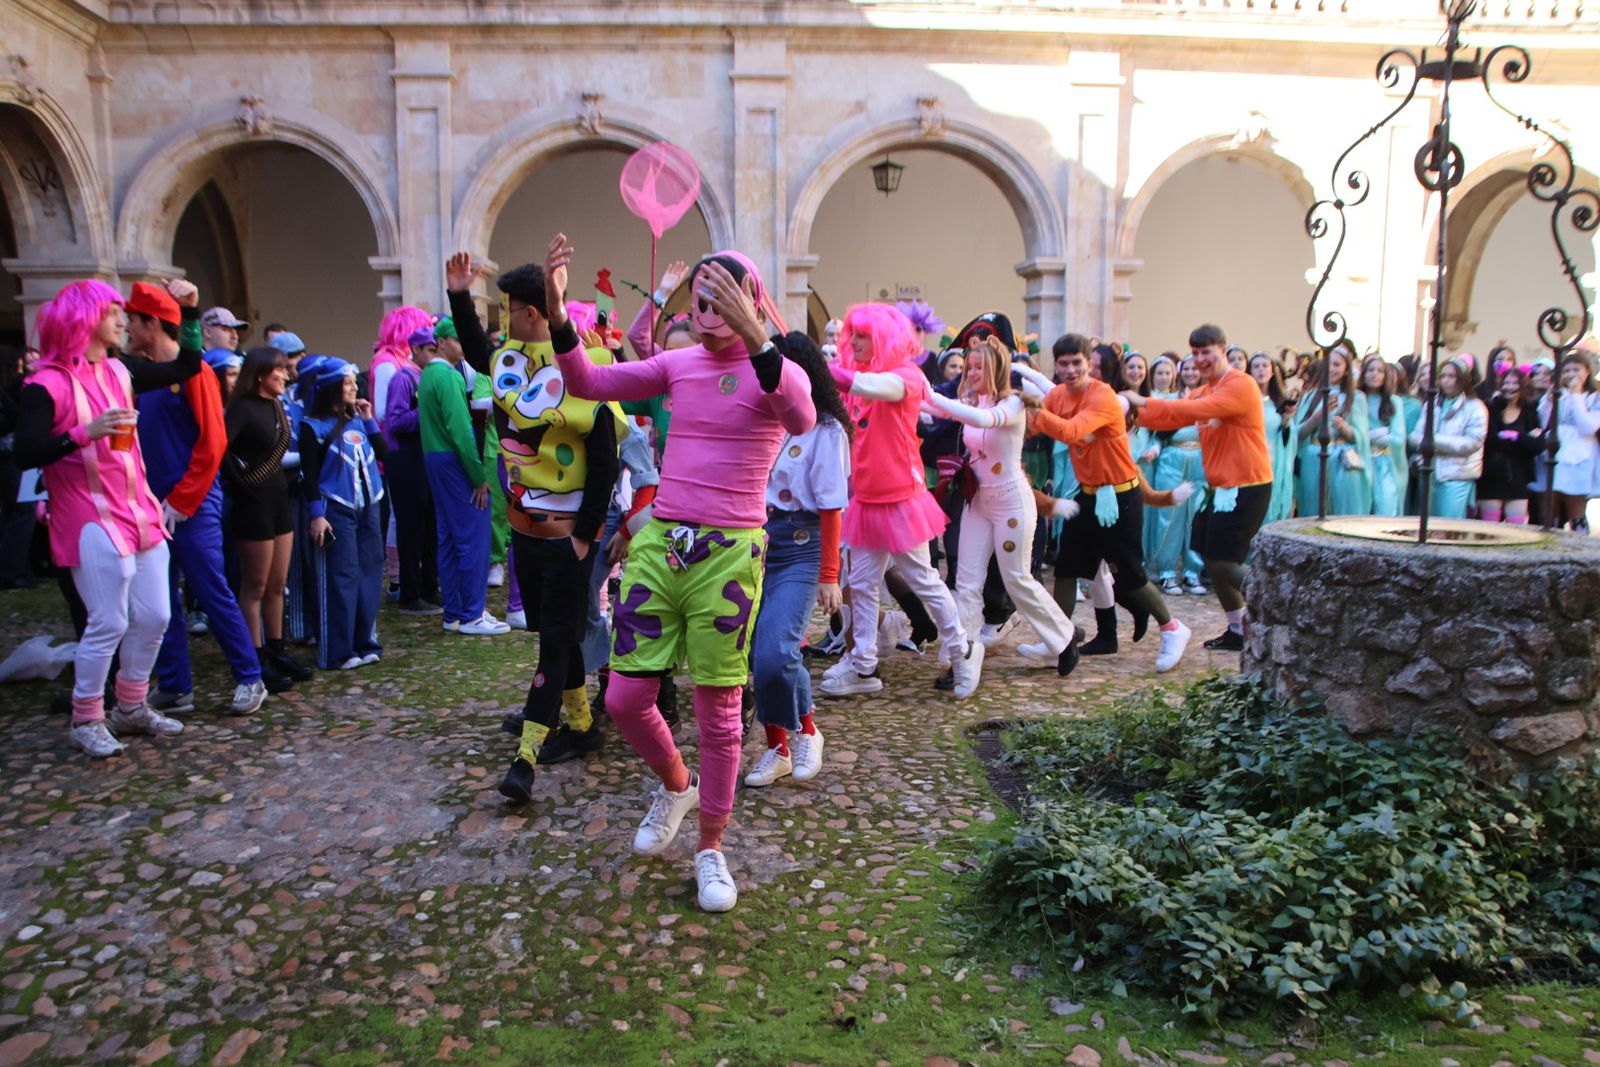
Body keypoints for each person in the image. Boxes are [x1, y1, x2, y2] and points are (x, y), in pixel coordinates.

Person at [551, 236, 816, 913]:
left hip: (729, 555)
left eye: (725, 296)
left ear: (753, 304)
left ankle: (710, 847)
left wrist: (758, 335)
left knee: (720, 714)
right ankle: (677, 782)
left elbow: (802, 416)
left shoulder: (773, 367)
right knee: (623, 699)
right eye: (702, 296)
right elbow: (587, 382)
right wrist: (559, 316)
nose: (709, 307)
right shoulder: (678, 363)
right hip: (663, 544)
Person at [444, 249, 619, 804]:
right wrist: (457, 294)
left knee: (556, 643)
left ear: (536, 313)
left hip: (569, 536)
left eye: (511, 310)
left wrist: (586, 534)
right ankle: (584, 725)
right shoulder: (511, 357)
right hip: (527, 531)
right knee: (553, 635)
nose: (502, 319)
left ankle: (527, 758)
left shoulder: (581, 366)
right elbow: (480, 352)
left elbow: (605, 457)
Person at [12, 280, 203, 755]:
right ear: (83, 319)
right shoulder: (44, 384)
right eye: (113, 312)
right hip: (85, 513)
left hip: (137, 507)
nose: (123, 320)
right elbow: (25, 451)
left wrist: (190, 312)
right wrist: (83, 433)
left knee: (157, 613)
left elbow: (187, 364)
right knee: (109, 620)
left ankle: (131, 707)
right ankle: (87, 717)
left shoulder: (120, 370)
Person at [819, 304, 982, 700]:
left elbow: (874, 389)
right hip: (868, 499)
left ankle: (961, 651)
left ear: (883, 338)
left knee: (923, 579)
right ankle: (863, 664)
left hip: (901, 498)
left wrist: (820, 368)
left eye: (862, 335)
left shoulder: (905, 376)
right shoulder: (863, 377)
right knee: (860, 584)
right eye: (852, 335)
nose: (854, 341)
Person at [128, 285, 269, 714]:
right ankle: (174, 685)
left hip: (192, 502)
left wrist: (185, 500)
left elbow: (213, 442)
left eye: (132, 320)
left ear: (152, 324)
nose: (126, 328)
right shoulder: (143, 375)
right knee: (160, 597)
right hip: (154, 504)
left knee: (210, 589)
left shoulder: (196, 374)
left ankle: (250, 677)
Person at [1024, 340, 1194, 673]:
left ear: (1089, 363)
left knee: (1129, 575)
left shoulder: (1102, 397)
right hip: (1088, 493)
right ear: (1056, 365)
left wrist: (1033, 410)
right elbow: (1036, 423)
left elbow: (1071, 430)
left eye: (1077, 363)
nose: (1070, 370)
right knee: (1067, 568)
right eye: (1063, 364)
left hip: (1121, 494)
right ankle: (1056, 638)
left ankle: (1173, 628)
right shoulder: (1059, 395)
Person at [924, 335, 1080, 676]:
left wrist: (932, 396)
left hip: (1012, 501)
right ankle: (961, 657)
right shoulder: (971, 401)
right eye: (969, 366)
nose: (972, 372)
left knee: (1016, 578)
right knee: (965, 580)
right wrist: (907, 391)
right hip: (978, 501)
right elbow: (938, 409)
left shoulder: (1012, 404)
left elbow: (985, 421)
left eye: (979, 366)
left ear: (996, 368)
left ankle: (1064, 639)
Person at [1125, 324, 1274, 652]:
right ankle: (1238, 630)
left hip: (1249, 484)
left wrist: (1139, 399)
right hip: (1221, 487)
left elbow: (1190, 410)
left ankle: (1277, 598)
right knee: (1210, 556)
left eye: (1207, 352)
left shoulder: (1240, 385)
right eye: (1195, 353)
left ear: (1222, 350)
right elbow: (1170, 419)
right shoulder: (1205, 389)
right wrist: (1131, 411)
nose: (1201, 359)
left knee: (1223, 562)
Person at [745, 332, 850, 788]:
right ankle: (777, 748)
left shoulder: (826, 430)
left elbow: (831, 505)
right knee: (755, 651)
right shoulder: (762, 419)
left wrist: (830, 575)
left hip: (800, 548)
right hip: (751, 541)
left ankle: (807, 731)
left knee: (776, 653)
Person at [225, 346, 312, 690]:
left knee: (278, 583)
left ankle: (277, 648)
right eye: (278, 371)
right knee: (255, 585)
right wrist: (242, 486)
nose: (285, 376)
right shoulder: (242, 408)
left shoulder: (276, 406)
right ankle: (255, 656)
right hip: (253, 503)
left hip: (278, 498)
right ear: (261, 374)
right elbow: (220, 449)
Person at [416, 324, 505, 636]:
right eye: (457, 339)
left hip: (436, 457)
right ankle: (471, 613)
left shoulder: (429, 374)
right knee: (473, 535)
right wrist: (479, 477)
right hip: (453, 459)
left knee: (450, 537)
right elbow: (461, 430)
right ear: (441, 342)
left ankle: (456, 612)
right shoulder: (448, 376)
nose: (463, 345)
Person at [300, 359, 388, 670]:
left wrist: (369, 420)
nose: (354, 387)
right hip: (335, 507)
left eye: (354, 382)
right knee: (341, 576)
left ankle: (365, 641)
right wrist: (315, 514)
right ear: (331, 387)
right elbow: (308, 475)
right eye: (348, 383)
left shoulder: (356, 420)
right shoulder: (313, 426)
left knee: (369, 572)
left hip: (368, 505)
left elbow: (385, 453)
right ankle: (338, 650)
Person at [382, 325, 442, 616]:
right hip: (405, 459)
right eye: (430, 350)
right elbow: (395, 421)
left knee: (430, 525)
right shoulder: (403, 379)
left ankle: (429, 586)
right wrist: (427, 411)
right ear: (415, 350)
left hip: (425, 457)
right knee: (411, 528)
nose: (434, 355)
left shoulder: (429, 377)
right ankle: (409, 592)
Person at [1148, 357, 1207, 596]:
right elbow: (1157, 432)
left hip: (1201, 459)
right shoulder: (1170, 399)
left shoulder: (1209, 397)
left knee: (1196, 517)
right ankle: (1167, 571)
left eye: (1196, 368)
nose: (1192, 372)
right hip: (1172, 457)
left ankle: (1193, 572)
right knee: (1169, 516)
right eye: (1188, 368)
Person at [1290, 347, 1372, 517]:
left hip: (1343, 462)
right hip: (1314, 458)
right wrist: (1317, 417)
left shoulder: (1356, 397)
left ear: (1346, 370)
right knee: (1314, 510)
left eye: (1337, 364)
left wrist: (1345, 429)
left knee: (1342, 511)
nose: (1332, 369)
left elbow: (1361, 437)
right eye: (1328, 364)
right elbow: (1297, 433)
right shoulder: (1310, 396)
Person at [1408, 354, 1488, 520]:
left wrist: (1433, 441)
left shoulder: (1475, 407)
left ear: (1463, 379)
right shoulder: (1433, 403)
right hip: (1430, 473)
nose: (1445, 380)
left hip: (1456, 476)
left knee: (1449, 526)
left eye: (1451, 376)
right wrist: (1428, 443)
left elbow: (1472, 443)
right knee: (1427, 525)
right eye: (1442, 376)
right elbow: (1415, 436)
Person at [1477, 365, 1544, 524]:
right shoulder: (1491, 408)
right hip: (1491, 477)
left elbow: (1537, 446)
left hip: (1518, 478)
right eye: (1506, 383)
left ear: (1522, 386)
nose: (1510, 387)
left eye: (1515, 383)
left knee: (1517, 529)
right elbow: (1489, 441)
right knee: (1489, 531)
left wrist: (1518, 436)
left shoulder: (1529, 411)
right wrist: (1523, 440)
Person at [1541, 351, 1600, 531]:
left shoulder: (1595, 397)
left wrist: (1575, 395)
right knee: (1551, 507)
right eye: (1567, 370)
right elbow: (1546, 423)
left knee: (1576, 509)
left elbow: (1587, 427)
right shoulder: (1559, 394)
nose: (1571, 374)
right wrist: (1549, 402)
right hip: (1556, 452)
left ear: (1587, 371)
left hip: (1580, 456)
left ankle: (1580, 546)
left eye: (1576, 369)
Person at [1357, 354, 1408, 518]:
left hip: (1385, 464)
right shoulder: (1356, 399)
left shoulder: (1394, 402)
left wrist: (1366, 435)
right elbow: (1352, 432)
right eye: (1370, 370)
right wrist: (1380, 432)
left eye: (1380, 371)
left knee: (1386, 510)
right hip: (1360, 462)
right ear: (1363, 373)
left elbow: (1398, 438)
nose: (1375, 374)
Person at [1248, 352, 1295, 525]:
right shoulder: (1245, 399)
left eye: (1265, 366)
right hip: (1249, 463)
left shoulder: (1279, 401)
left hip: (1273, 462)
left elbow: (1287, 437)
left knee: (1269, 510)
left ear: (1272, 371)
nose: (1261, 370)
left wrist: (1286, 421)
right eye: (1256, 366)